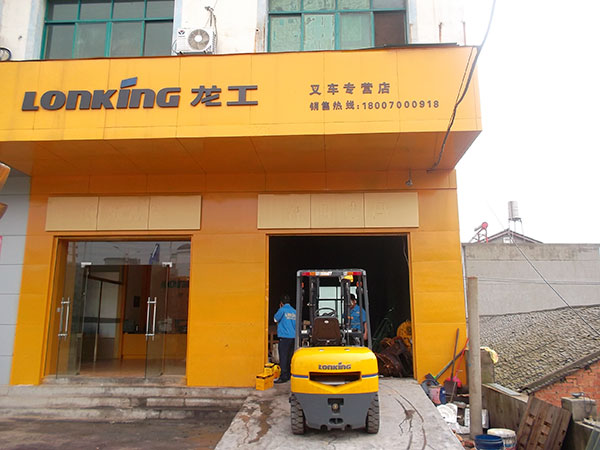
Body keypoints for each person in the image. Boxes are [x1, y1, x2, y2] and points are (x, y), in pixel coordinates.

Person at [274, 294, 296, 384]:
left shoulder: (282, 310)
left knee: (283, 357)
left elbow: (275, 319)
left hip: (284, 337)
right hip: (293, 337)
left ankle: (283, 376)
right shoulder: (294, 311)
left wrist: (280, 308)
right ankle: (289, 374)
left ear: (281, 303)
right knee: (290, 357)